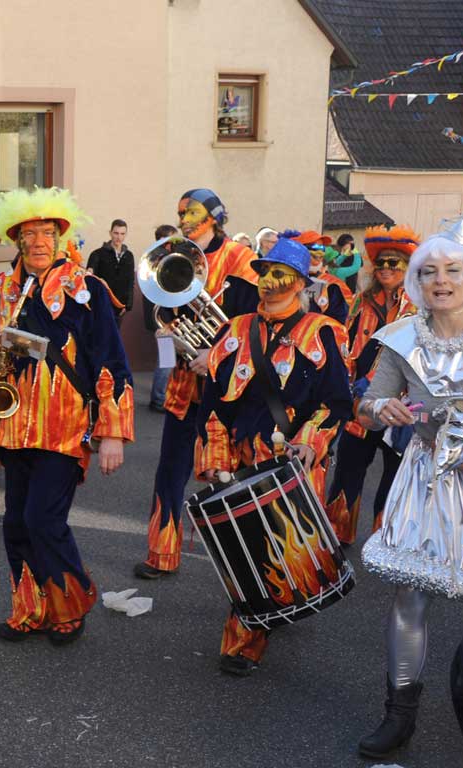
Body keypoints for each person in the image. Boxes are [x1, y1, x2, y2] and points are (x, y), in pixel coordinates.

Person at [356, 223, 463, 759]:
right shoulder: (403, 337)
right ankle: (399, 716)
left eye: (452, 270)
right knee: (410, 596)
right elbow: (367, 407)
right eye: (429, 271)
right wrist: (381, 408)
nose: (441, 281)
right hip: (428, 478)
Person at [0, 187, 134, 644]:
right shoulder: (1, 292)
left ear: (60, 237)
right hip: (14, 427)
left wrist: (112, 433)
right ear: (17, 240)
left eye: (47, 233)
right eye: (29, 234)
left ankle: (70, 605)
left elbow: (111, 362)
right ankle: (30, 609)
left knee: (43, 521)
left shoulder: (87, 291)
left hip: (64, 429)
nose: (38, 242)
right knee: (15, 524)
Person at [195, 238, 352, 675]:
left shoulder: (322, 332)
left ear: (300, 283)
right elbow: (213, 403)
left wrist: (310, 441)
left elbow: (336, 403)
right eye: (264, 272)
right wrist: (216, 453)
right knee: (246, 550)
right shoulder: (235, 329)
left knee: (279, 551)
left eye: (279, 274)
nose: (268, 282)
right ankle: (244, 642)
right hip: (242, 456)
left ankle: (270, 615)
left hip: (291, 463)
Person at [133, 188, 259, 579]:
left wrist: (216, 354)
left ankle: (246, 570)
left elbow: (254, 325)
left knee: (229, 477)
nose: (184, 220)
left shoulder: (241, 259)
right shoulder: (175, 254)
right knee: (169, 472)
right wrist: (168, 341)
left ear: (214, 218)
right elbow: (160, 314)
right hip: (185, 389)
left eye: (192, 213)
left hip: (228, 393)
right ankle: (161, 554)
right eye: (181, 213)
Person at [326, 225, 419, 545]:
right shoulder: (362, 302)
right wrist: (348, 388)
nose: (385, 268)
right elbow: (348, 345)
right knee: (349, 466)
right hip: (362, 400)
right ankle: (339, 533)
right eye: (380, 263)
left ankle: (383, 540)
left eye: (394, 263)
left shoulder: (421, 306)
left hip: (403, 404)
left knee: (395, 475)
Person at [142, 224, 179, 412]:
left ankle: (160, 397)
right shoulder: (158, 261)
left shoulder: (158, 258)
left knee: (167, 360)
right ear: (165, 241)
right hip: (163, 319)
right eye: (173, 239)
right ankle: (158, 399)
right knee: (166, 361)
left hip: (165, 317)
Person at [291, 230, 353, 325]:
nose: (319, 252)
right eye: (315, 247)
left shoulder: (332, 285)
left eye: (322, 248)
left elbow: (340, 319)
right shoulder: (287, 279)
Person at [87, 219, 135, 328]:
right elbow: (90, 277)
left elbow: (130, 281)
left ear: (126, 234)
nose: (119, 237)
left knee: (115, 334)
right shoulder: (97, 254)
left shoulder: (129, 256)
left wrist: (128, 305)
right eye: (116, 233)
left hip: (119, 306)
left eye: (122, 234)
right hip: (101, 305)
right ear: (110, 233)